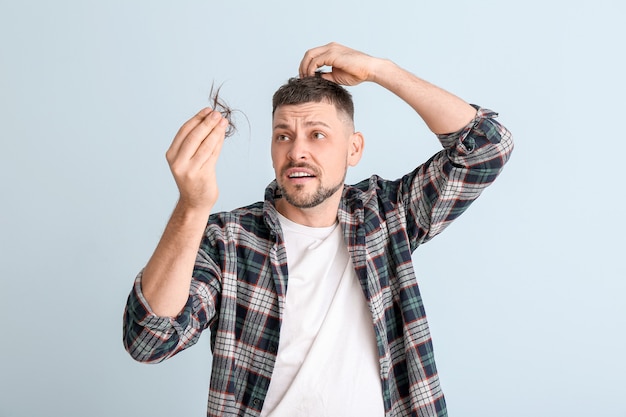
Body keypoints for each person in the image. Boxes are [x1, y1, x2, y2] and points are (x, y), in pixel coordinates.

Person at [123, 42, 513, 417]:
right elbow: (149, 340)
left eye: (317, 134)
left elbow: (486, 146)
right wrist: (192, 207)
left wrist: (380, 70)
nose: (297, 151)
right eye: (283, 136)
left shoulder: (386, 215)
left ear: (354, 149)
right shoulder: (228, 239)